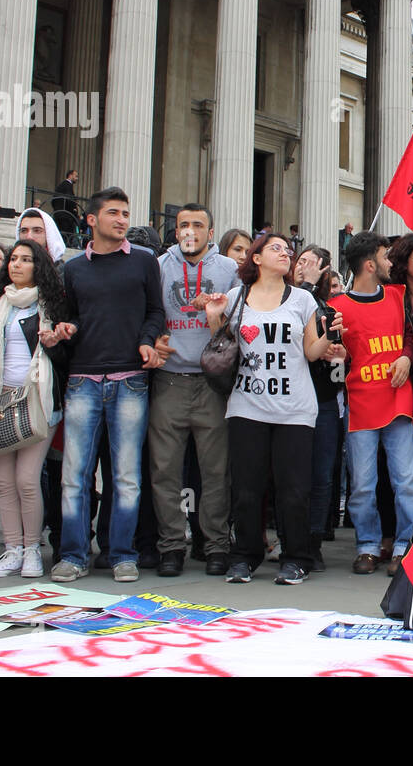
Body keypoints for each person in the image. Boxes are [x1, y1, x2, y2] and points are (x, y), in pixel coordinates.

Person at [204, 232, 339, 585]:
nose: (285, 253)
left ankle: (296, 557)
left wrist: (330, 337)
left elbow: (311, 353)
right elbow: (221, 344)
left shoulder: (301, 301)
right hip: (246, 405)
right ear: (257, 258)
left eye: (287, 249)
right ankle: (244, 556)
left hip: (295, 408)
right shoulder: (236, 298)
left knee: (294, 488)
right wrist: (214, 317)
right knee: (247, 487)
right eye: (275, 248)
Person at [48, 187, 165, 583]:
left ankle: (122, 554)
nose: (121, 219)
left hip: (130, 379)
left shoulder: (145, 263)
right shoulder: (73, 269)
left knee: (127, 476)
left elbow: (156, 311)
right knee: (74, 475)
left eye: (126, 213)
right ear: (92, 220)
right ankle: (73, 555)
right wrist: (66, 328)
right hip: (82, 379)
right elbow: (72, 317)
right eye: (113, 212)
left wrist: (148, 341)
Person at [147, 203, 239, 578]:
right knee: (164, 470)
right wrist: (152, 338)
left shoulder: (229, 270)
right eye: (183, 224)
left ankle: (216, 544)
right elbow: (146, 312)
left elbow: (243, 322)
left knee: (215, 472)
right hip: (169, 379)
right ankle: (171, 546)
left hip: (211, 383)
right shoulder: (158, 267)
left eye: (197, 225)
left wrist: (217, 313)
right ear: (175, 231)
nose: (189, 231)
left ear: (209, 232)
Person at [0, 239, 67, 578]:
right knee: (5, 483)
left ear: (38, 267)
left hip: (37, 400)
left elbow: (65, 358)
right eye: (13, 259)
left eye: (26, 260)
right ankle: (11, 551)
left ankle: (31, 550)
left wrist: (54, 343)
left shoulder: (51, 305)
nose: (17, 265)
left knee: (27, 480)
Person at [329, 231, 413, 576]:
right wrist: (334, 354)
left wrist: (406, 357)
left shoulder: (398, 296)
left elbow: (412, 338)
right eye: (385, 257)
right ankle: (367, 545)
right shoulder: (337, 307)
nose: (390, 263)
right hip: (361, 404)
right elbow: (331, 353)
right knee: (363, 484)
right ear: (370, 265)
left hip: (398, 401)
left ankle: (404, 545)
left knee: (407, 481)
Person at [292, 244, 343, 571]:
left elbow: (337, 363)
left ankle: (313, 542)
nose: (301, 267)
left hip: (322, 399)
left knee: (321, 475)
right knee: (291, 474)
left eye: (311, 264)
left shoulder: (327, 310)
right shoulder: (277, 299)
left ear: (324, 272)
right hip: (287, 399)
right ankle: (290, 539)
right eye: (301, 261)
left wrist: (337, 354)